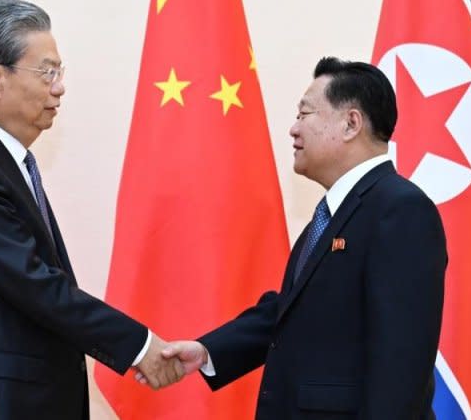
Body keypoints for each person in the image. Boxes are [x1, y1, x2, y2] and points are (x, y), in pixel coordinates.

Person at [0, 0, 182, 420]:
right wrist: (140, 346)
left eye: (60, 72)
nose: (59, 87)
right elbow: (36, 285)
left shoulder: (3, 163)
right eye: (47, 72)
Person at [157, 57, 448, 419]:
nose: (293, 130)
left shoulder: (400, 209)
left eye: (304, 114)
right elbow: (292, 312)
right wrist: (208, 351)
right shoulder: (331, 214)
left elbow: (402, 365)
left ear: (350, 124)